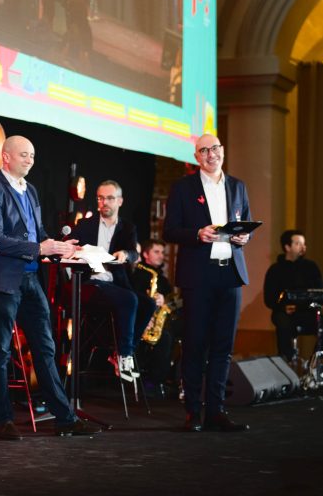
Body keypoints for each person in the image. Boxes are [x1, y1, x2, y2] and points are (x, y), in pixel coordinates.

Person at [0, 135, 99, 440]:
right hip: (3, 281)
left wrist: (58, 246)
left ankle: (64, 418)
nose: (30, 160)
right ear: (6, 157)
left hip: (31, 279)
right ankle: (2, 419)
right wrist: (39, 248)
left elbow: (39, 232)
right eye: (24, 155)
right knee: (1, 351)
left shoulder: (29, 189)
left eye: (32, 155)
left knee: (46, 347)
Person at [163, 133, 252, 433]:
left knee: (223, 346)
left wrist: (244, 237)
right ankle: (193, 413)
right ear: (197, 157)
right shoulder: (183, 188)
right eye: (204, 150)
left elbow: (247, 224)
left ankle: (216, 411)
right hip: (198, 275)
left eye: (215, 148)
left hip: (230, 274)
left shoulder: (238, 186)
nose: (211, 154)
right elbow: (170, 230)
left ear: (222, 151)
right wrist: (196, 234)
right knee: (195, 344)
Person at [68, 180, 155, 382]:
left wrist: (125, 254)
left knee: (148, 303)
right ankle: (125, 356)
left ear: (120, 201)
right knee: (129, 300)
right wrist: (79, 252)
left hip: (115, 284)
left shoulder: (127, 228)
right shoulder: (85, 225)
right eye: (100, 198)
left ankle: (122, 352)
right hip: (90, 284)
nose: (104, 202)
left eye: (109, 198)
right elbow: (69, 246)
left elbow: (134, 253)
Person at [263, 230, 323, 362]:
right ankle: (286, 366)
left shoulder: (311, 267)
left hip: (307, 311)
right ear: (287, 247)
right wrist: (282, 307)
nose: (303, 247)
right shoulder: (275, 270)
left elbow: (320, 291)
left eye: (304, 244)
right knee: (283, 326)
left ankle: (313, 365)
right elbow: (269, 298)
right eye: (298, 243)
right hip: (284, 312)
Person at [131, 239, 181, 398]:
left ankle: (172, 379)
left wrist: (163, 301)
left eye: (163, 253)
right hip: (143, 321)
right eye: (157, 252)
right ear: (145, 254)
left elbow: (171, 301)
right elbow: (133, 298)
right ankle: (152, 381)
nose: (161, 256)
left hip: (161, 319)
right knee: (165, 338)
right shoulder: (139, 274)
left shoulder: (162, 278)